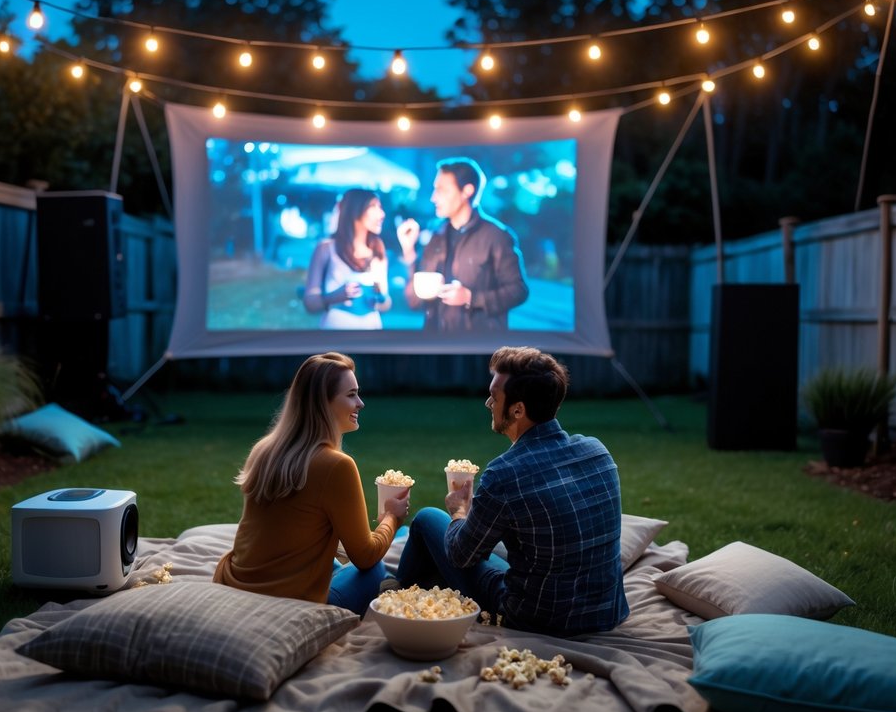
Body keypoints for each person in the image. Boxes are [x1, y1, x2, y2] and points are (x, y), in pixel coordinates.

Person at [394, 346, 630, 637]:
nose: (487, 403)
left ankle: (394, 596)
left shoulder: (504, 474)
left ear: (518, 409)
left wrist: (458, 511)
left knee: (427, 519)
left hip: (537, 619)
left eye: (494, 396)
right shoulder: (597, 451)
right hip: (608, 612)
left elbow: (460, 556)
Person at [213, 352, 409, 614]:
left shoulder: (263, 450)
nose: (360, 403)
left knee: (348, 556)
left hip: (235, 584)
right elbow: (365, 557)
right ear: (323, 404)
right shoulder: (337, 466)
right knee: (377, 569)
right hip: (290, 604)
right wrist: (391, 517)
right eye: (351, 394)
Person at [395, 157, 529, 332]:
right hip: (435, 342)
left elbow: (518, 290)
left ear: (467, 191)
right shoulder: (436, 234)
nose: (433, 197)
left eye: (441, 190)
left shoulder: (497, 236)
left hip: (479, 346)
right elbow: (415, 301)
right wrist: (409, 252)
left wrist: (471, 297)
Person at [303, 189, 392, 330]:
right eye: (373, 206)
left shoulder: (378, 249)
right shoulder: (326, 248)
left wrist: (378, 297)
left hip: (371, 333)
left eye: (380, 207)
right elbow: (310, 302)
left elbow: (386, 303)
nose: (381, 214)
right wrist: (335, 297)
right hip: (335, 334)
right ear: (355, 209)